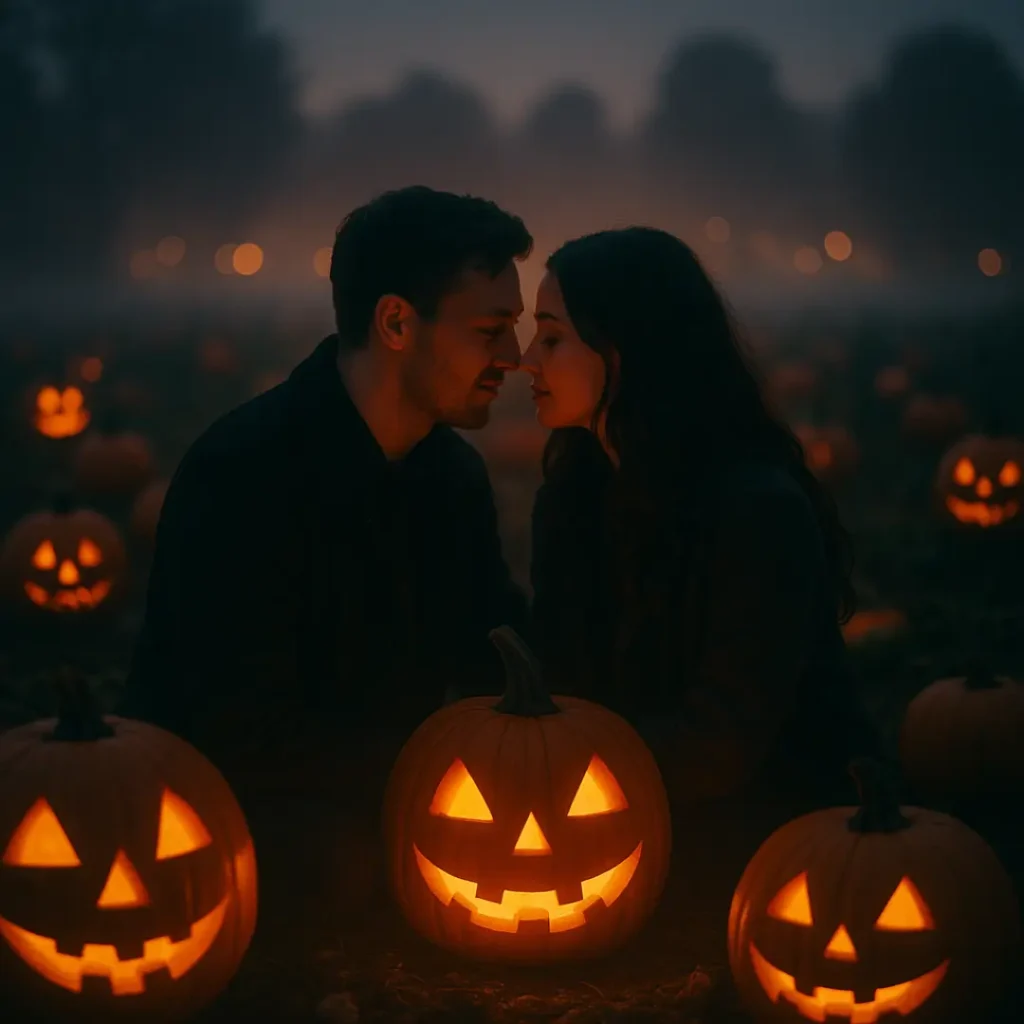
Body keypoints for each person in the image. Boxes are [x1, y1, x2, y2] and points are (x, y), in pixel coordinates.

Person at [121, 188, 532, 920]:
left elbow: (492, 646)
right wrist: (445, 773)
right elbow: (240, 730)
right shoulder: (245, 473)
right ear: (397, 322)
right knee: (345, 870)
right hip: (209, 813)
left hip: (388, 786)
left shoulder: (452, 477)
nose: (513, 356)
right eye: (490, 329)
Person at [522, 226, 878, 806]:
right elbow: (561, 688)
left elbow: (726, 741)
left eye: (552, 339)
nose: (527, 360)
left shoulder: (755, 511)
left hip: (776, 830)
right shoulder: (570, 501)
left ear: (625, 349)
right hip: (615, 808)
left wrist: (574, 779)